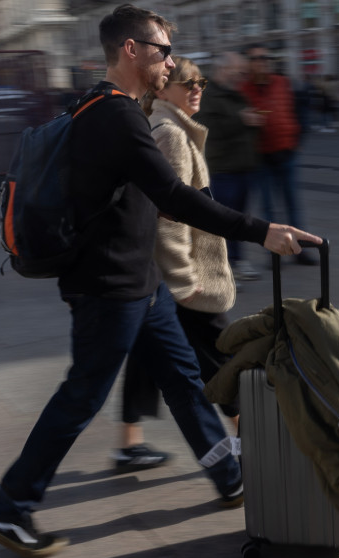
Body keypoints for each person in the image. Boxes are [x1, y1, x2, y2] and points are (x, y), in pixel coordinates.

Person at [0, 6, 321, 558]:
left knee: (183, 379)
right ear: (130, 50)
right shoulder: (114, 114)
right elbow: (174, 196)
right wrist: (262, 231)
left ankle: (227, 474)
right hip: (109, 287)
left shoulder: (104, 105)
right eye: (163, 51)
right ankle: (9, 507)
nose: (171, 63)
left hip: (142, 282)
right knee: (81, 396)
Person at [113, 56, 242, 473]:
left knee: (146, 355)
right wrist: (185, 280)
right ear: (162, 89)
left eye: (200, 82)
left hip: (162, 275)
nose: (197, 89)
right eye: (187, 83)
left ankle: (129, 443)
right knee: (220, 355)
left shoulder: (170, 128)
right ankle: (245, 438)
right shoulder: (170, 134)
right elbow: (168, 217)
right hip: (186, 274)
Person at [241, 43, 317, 266]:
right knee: (268, 210)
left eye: (265, 58)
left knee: (293, 204)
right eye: (256, 59)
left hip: (286, 153)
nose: (262, 62)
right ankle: (274, 254)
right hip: (261, 158)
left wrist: (298, 140)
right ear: (249, 63)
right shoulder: (243, 89)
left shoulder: (283, 83)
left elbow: (301, 110)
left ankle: (299, 250)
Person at [194, 51, 264, 283]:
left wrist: (252, 122)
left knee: (240, 219)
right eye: (239, 72)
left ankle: (236, 261)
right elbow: (207, 130)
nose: (242, 76)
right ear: (223, 70)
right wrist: (242, 120)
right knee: (223, 221)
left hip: (243, 167)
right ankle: (221, 268)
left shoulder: (236, 94)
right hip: (222, 170)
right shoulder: (208, 96)